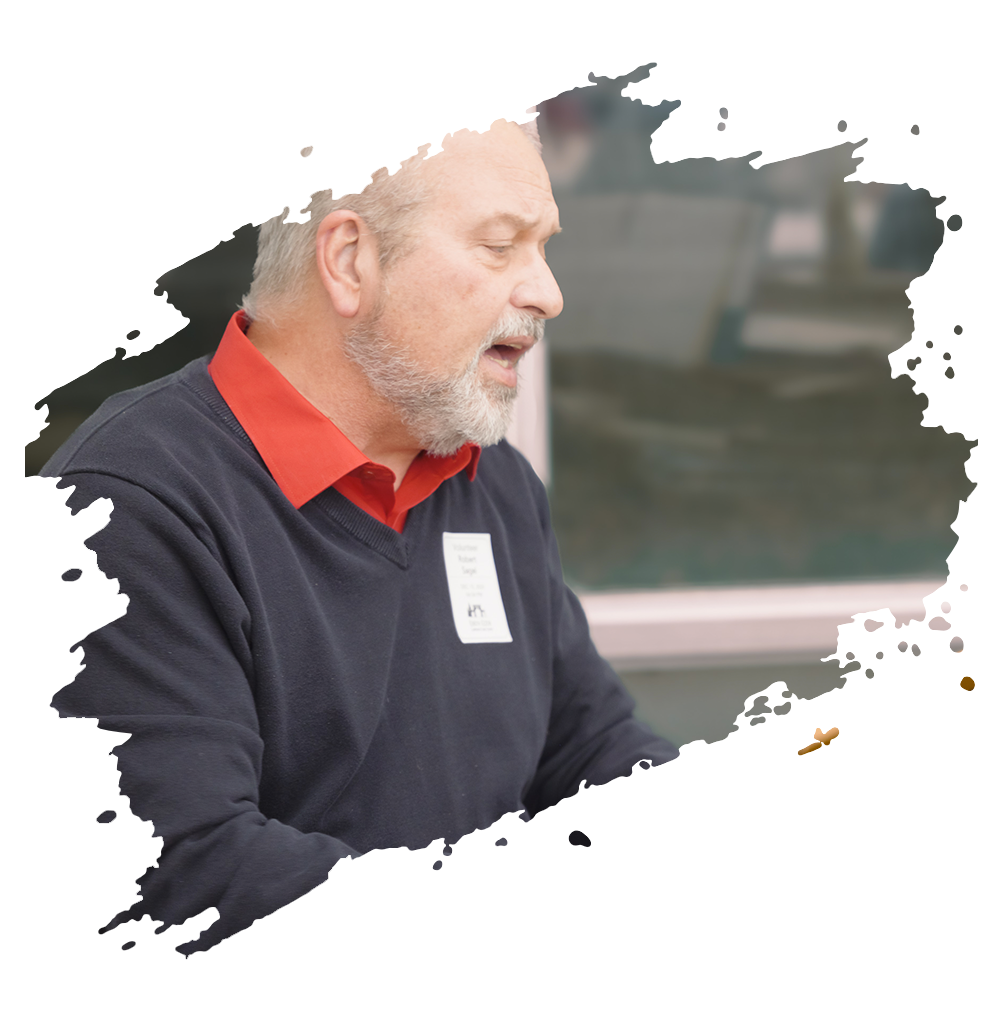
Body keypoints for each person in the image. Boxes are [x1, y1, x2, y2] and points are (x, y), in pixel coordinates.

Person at [44, 118, 679, 957]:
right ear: (349, 261)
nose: (547, 293)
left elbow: (588, 748)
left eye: (543, 248)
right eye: (499, 246)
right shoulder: (128, 506)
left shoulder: (488, 482)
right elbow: (188, 871)